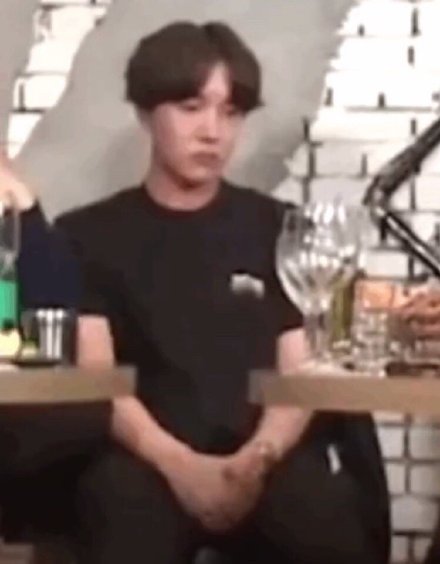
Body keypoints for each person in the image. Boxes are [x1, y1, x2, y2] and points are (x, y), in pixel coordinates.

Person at [56, 21, 390, 564]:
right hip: (144, 460)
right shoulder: (87, 235)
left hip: (264, 456)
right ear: (146, 113)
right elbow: (98, 379)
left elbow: (301, 370)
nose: (212, 132)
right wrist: (183, 467)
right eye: (191, 107)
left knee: (325, 517)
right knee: (121, 511)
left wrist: (255, 461)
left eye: (230, 112)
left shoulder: (278, 228)